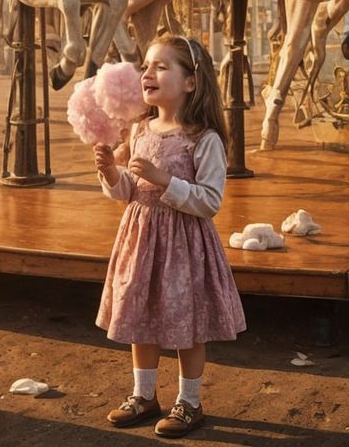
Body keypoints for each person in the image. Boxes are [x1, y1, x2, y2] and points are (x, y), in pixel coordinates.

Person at [95, 35, 246, 438]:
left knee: (186, 323)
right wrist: (112, 173)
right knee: (140, 318)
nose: (148, 73)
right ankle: (144, 395)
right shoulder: (140, 130)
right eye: (146, 65)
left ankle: (189, 402)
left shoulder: (204, 139)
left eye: (161, 66)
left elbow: (210, 200)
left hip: (184, 245)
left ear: (191, 82)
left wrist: (166, 181)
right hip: (141, 239)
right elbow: (130, 190)